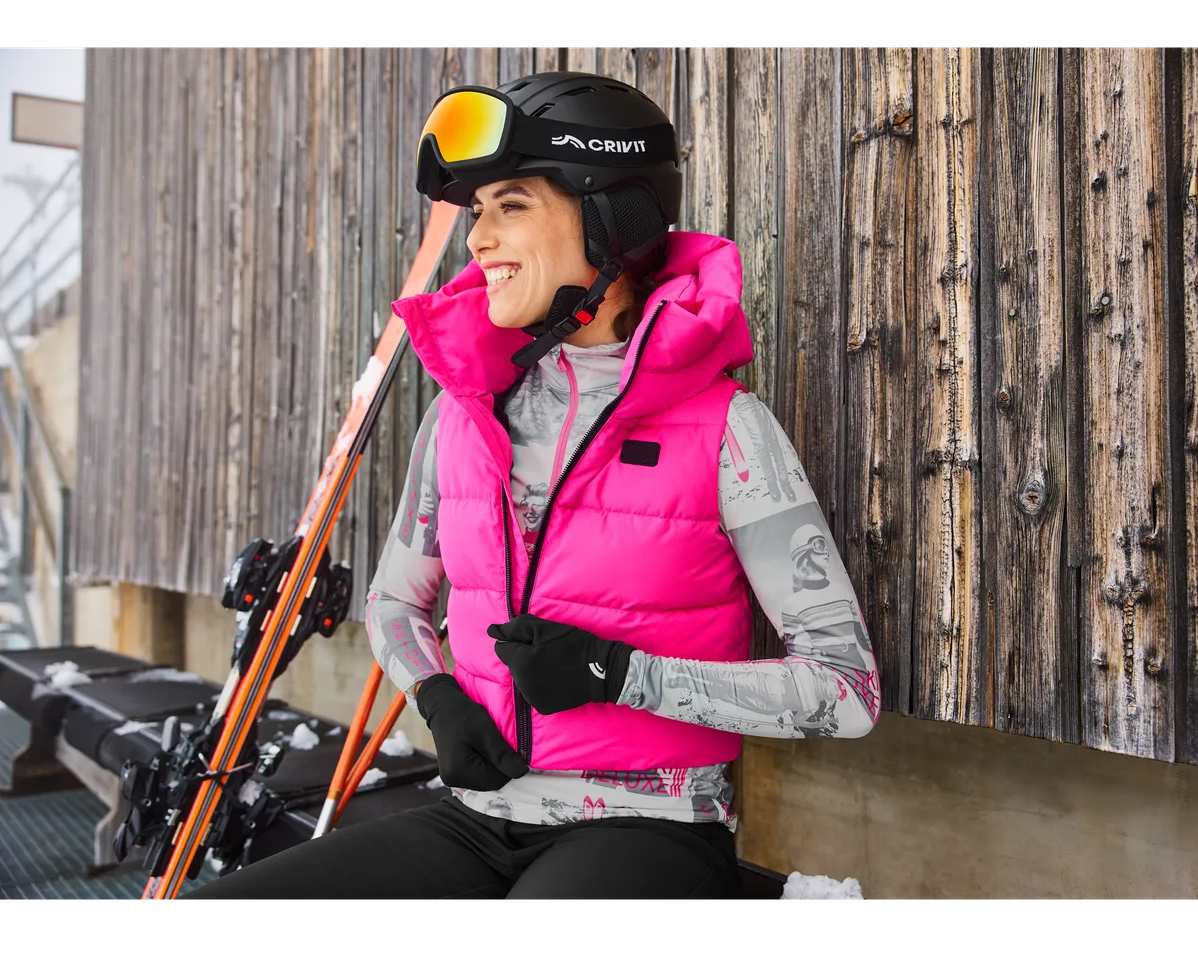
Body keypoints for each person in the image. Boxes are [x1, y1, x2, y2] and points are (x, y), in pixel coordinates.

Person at [179, 70, 881, 906]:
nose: (477, 241)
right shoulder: (459, 419)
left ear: (611, 219)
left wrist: (623, 675)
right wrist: (438, 697)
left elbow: (846, 689)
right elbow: (395, 604)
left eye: (510, 205)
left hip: (649, 822)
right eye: (478, 214)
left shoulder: (727, 430)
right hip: (474, 818)